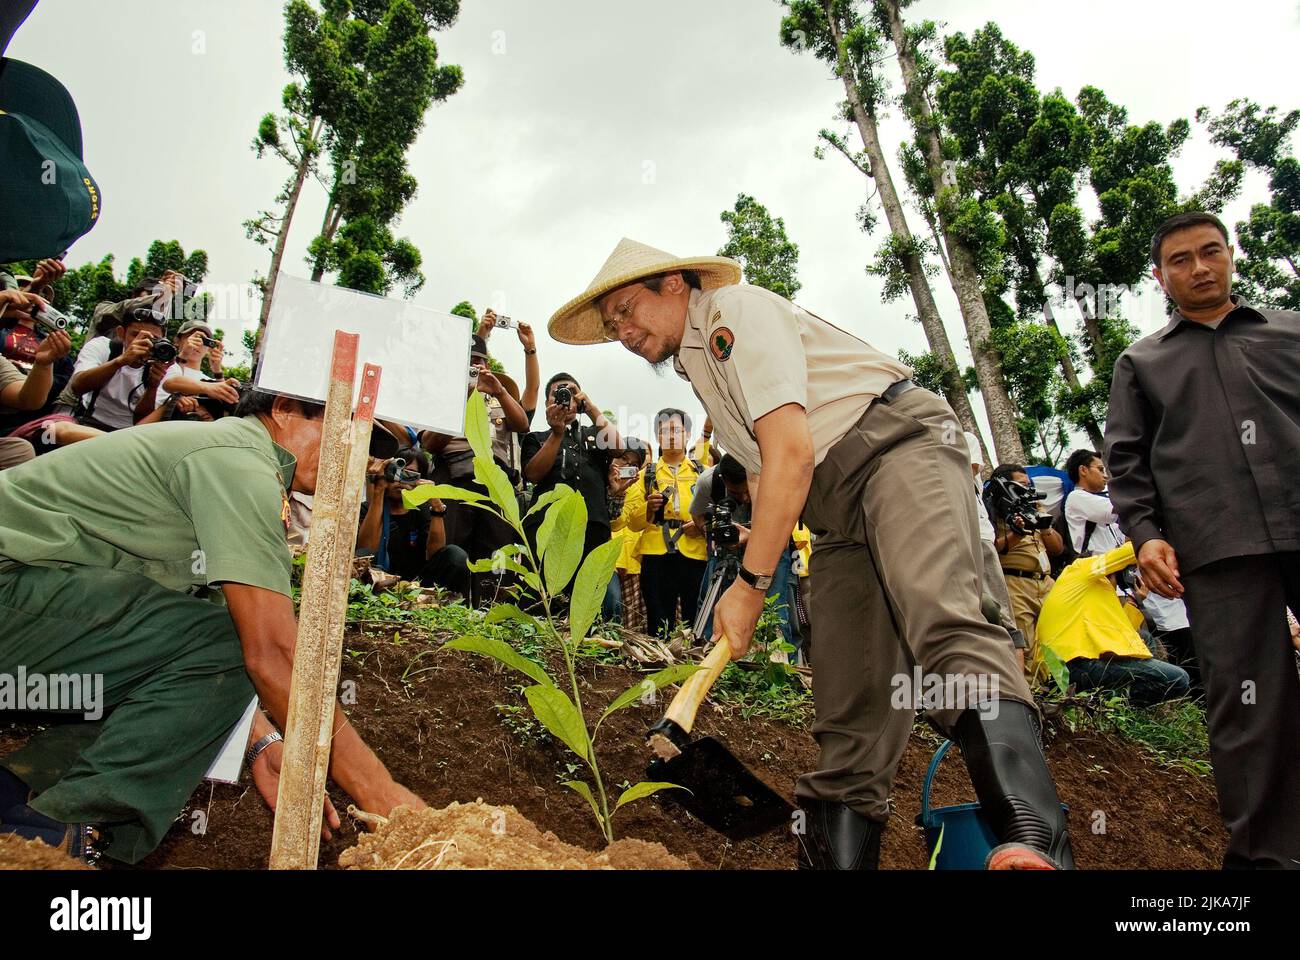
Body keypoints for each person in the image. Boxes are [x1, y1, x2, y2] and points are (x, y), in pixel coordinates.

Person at [548, 238, 1072, 870]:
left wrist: (748, 583)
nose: (624, 332)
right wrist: (754, 585)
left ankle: (1031, 838)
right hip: (834, 512)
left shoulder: (730, 313)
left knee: (942, 617)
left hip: (895, 449)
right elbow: (772, 477)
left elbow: (792, 452)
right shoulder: (699, 366)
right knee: (850, 696)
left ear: (677, 285)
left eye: (628, 310)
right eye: (612, 327)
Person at [0, 389, 423, 863]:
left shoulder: (237, 462)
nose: (355, 460)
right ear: (284, 409)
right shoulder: (239, 464)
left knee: (197, 649)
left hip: (22, 604)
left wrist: (263, 741)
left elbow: (196, 660)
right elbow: (270, 655)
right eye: (348, 433)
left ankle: (18, 811)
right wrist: (385, 799)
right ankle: (60, 833)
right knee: (229, 640)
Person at [1106, 210, 1300, 868]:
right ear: (1160, 277)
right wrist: (1145, 535)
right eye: (1181, 260)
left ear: (1230, 255)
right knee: (1249, 709)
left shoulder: (1291, 332)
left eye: (1210, 251)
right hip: (1217, 550)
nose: (1199, 267)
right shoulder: (1143, 362)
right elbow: (1126, 462)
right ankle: (1265, 860)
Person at [424, 334, 528, 603]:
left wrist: (499, 391)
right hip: (454, 481)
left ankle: (492, 615)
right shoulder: (446, 396)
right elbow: (430, 443)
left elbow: (522, 424)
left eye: (479, 362)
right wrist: (463, 399)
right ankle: (446, 609)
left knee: (496, 556)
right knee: (452, 550)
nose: (475, 368)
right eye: (468, 363)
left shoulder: (498, 396)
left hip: (494, 484)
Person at [1038, 542, 1190, 707]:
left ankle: (1107, 706)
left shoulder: (1086, 594)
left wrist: (1134, 600)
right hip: (1072, 665)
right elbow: (1130, 551)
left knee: (1144, 638)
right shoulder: (1081, 568)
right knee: (1179, 679)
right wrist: (1151, 539)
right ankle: (1109, 706)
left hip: (1070, 667)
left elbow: (1124, 640)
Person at [520, 373, 625, 584]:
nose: (564, 399)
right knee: (544, 594)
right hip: (547, 526)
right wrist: (556, 434)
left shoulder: (595, 433)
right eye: (556, 395)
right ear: (546, 403)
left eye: (570, 393)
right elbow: (532, 474)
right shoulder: (536, 438)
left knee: (588, 596)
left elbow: (619, 448)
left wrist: (590, 407)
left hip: (593, 525)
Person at [690, 453, 798, 654]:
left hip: (771, 549)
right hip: (723, 553)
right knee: (710, 603)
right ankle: (702, 659)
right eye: (735, 494)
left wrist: (753, 538)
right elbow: (696, 513)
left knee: (777, 610)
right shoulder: (708, 481)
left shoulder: (774, 477)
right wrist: (711, 535)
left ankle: (781, 665)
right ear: (723, 480)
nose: (745, 498)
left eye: (748, 491)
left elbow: (783, 537)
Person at [622, 408, 708, 638]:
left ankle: (696, 668)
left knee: (696, 618)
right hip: (655, 554)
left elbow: (715, 510)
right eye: (664, 431)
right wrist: (648, 509)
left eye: (676, 430)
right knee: (659, 621)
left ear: (687, 434)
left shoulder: (703, 473)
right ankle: (660, 667)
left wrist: (700, 524)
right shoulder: (645, 476)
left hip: (695, 552)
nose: (671, 435)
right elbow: (631, 523)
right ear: (657, 436)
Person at [987, 464, 1065, 684]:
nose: (1027, 489)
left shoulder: (1034, 505)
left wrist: (1044, 525)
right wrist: (1017, 534)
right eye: (1020, 485)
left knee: (1056, 639)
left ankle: (1061, 691)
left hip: (1045, 581)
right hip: (1015, 583)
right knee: (1026, 647)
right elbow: (990, 550)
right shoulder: (994, 511)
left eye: (1028, 484)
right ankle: (1034, 697)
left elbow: (1058, 549)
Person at [356, 453, 470, 597]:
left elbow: (436, 555)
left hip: (418, 587)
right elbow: (366, 550)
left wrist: (437, 508)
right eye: (395, 472)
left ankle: (445, 605)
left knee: (455, 555)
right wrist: (379, 490)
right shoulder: (368, 509)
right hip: (376, 585)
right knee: (362, 555)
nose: (400, 481)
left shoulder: (422, 511)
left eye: (408, 474)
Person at [965, 433, 1028, 670]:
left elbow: (964, 470)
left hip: (977, 538)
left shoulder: (962, 437)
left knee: (1001, 617)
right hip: (948, 540)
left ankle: (1020, 691)